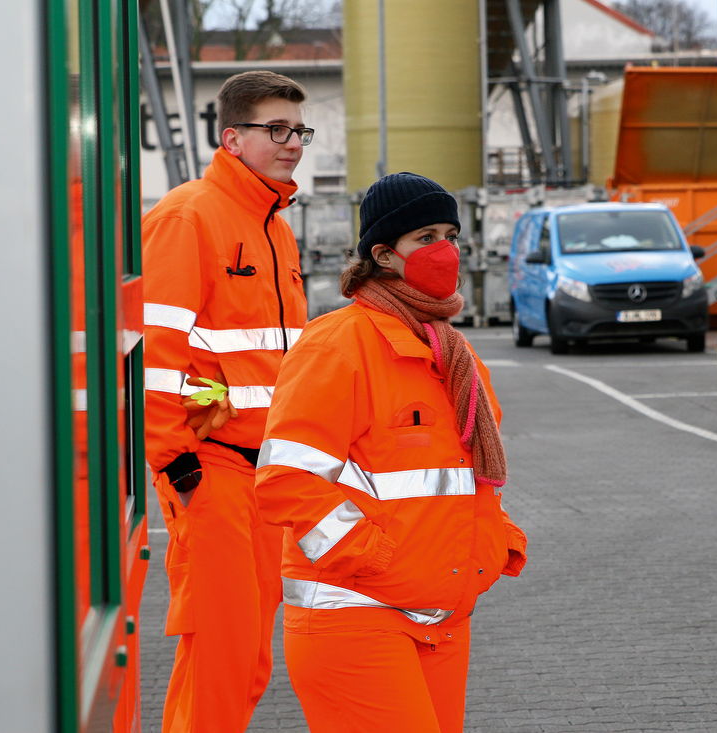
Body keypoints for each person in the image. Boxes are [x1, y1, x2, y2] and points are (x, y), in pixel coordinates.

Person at [255, 172, 528, 732]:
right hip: (356, 617)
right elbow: (286, 480)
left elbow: (466, 476)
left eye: (450, 233)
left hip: (443, 617)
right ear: (382, 254)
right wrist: (377, 559)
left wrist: (495, 541)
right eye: (425, 237)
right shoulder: (337, 344)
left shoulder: (452, 350)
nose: (444, 250)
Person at [141, 70, 312, 733]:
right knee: (223, 649)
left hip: (265, 474)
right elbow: (156, 354)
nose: (292, 143)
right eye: (277, 129)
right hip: (209, 469)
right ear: (232, 137)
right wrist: (177, 462)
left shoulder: (275, 227)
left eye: (299, 130)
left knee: (247, 661)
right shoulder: (190, 216)